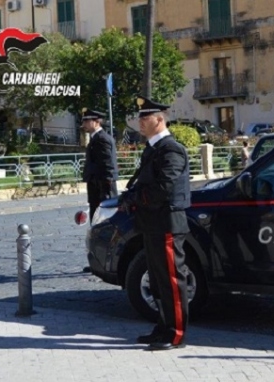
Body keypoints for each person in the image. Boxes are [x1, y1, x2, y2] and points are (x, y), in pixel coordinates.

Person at [118, 96, 191, 351]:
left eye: (145, 117)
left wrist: (136, 198)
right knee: (158, 280)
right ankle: (163, 327)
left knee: (172, 280)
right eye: (140, 117)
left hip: (167, 223)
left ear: (159, 119)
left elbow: (163, 188)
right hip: (152, 223)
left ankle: (176, 334)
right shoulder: (153, 148)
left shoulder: (171, 149)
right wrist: (130, 196)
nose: (140, 122)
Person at [81, 108, 118, 221]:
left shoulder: (102, 139)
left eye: (87, 121)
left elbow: (108, 164)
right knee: (96, 217)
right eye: (84, 121)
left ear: (97, 122)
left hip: (102, 187)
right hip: (96, 185)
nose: (84, 124)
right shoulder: (96, 138)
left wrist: (106, 188)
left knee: (104, 218)